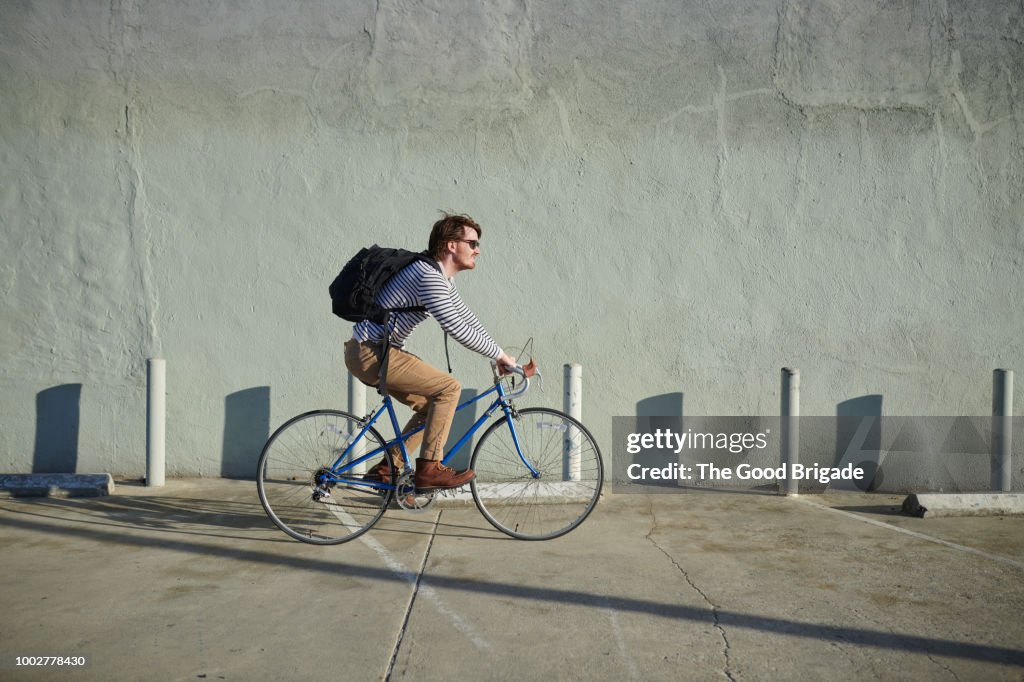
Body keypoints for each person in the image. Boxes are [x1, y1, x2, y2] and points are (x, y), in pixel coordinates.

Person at [344, 213, 517, 490]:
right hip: (371, 353)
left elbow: (466, 318)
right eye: (472, 243)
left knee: (433, 411)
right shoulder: (428, 276)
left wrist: (501, 354)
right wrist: (498, 355)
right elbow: (455, 328)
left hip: (376, 352)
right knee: (449, 389)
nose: (477, 250)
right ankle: (430, 470)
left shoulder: (441, 278)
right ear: (451, 245)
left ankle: (388, 468)